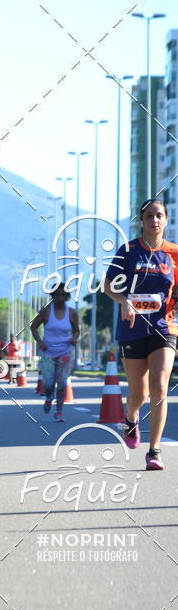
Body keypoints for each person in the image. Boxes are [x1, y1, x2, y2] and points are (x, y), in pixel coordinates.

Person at [103, 199, 178, 470]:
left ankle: (154, 451)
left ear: (166, 220)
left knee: (160, 385)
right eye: (149, 216)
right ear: (142, 221)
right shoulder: (128, 251)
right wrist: (123, 300)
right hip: (132, 328)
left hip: (164, 327)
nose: (154, 220)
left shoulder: (174, 254)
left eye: (159, 215)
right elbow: (108, 285)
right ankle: (132, 417)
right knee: (139, 392)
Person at [30, 283, 79, 421]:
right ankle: (49, 397)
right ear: (52, 296)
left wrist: (74, 339)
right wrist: (40, 342)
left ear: (67, 296)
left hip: (65, 352)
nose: (60, 297)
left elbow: (77, 330)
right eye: (57, 295)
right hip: (48, 352)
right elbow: (33, 327)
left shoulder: (72, 313)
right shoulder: (46, 311)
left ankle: (59, 411)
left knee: (62, 383)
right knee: (48, 383)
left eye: (63, 295)